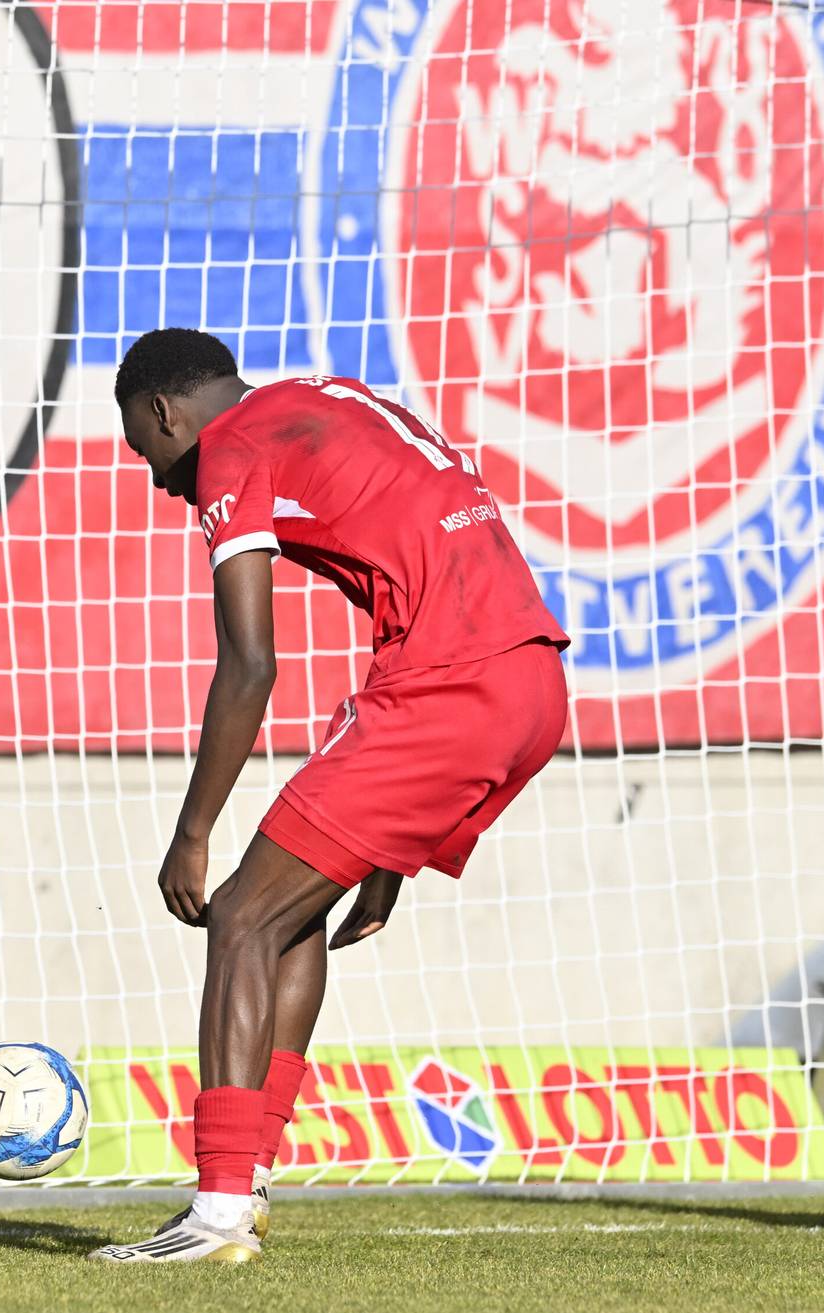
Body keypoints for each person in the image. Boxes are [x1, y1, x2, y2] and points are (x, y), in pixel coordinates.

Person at [91, 331, 569, 1263]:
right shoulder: (325, 394)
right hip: (530, 684)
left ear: (163, 414)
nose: (156, 480)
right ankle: (249, 1181)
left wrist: (191, 834)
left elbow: (249, 666)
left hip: (448, 685)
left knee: (237, 914)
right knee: (289, 916)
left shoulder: (229, 444)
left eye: (146, 453)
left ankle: (221, 1210)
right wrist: (387, 851)